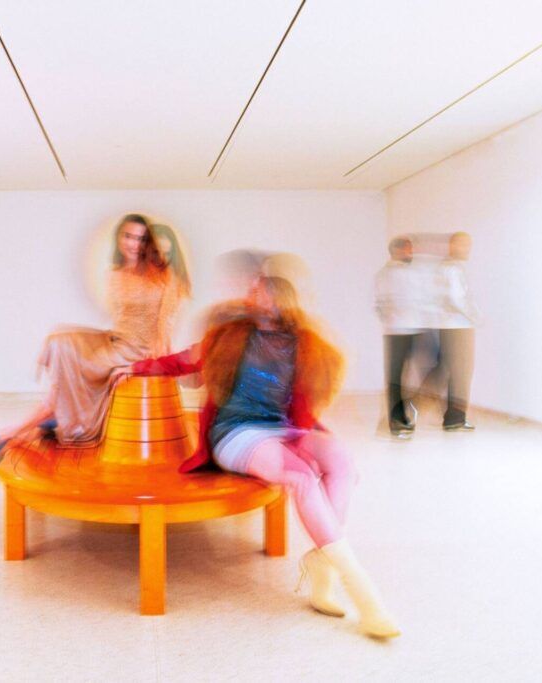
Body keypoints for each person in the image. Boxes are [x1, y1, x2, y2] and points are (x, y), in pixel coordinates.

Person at [128, 276, 400, 639]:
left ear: (278, 298)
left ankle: (322, 567)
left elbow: (316, 390)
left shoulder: (303, 343)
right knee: (300, 477)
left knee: (341, 461)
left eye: (258, 289)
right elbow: (181, 361)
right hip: (236, 432)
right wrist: (132, 368)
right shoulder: (230, 335)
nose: (249, 294)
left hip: (282, 430)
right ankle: (365, 598)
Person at [0, 214, 187, 467]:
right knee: (60, 340)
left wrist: (146, 365)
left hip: (138, 350)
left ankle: (0, 438)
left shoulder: (164, 276)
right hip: (117, 340)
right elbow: (123, 321)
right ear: (119, 237)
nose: (133, 244)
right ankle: (15, 435)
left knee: (65, 384)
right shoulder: (114, 274)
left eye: (141, 239)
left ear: (148, 244)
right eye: (128, 236)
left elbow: (165, 325)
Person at [373, 236, 426, 438]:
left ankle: (401, 415)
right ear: (396, 251)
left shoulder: (409, 273)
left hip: (412, 329)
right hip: (396, 331)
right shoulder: (386, 275)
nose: (411, 253)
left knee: (409, 377)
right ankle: (396, 421)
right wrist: (394, 316)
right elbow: (381, 304)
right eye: (407, 249)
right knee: (396, 379)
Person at [436, 231, 477, 430]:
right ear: (452, 246)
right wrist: (474, 316)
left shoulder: (448, 268)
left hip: (450, 326)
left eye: (468, 245)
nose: (467, 249)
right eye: (463, 244)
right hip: (458, 327)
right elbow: (457, 298)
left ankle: (453, 417)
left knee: (454, 373)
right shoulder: (452, 269)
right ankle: (455, 419)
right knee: (461, 374)